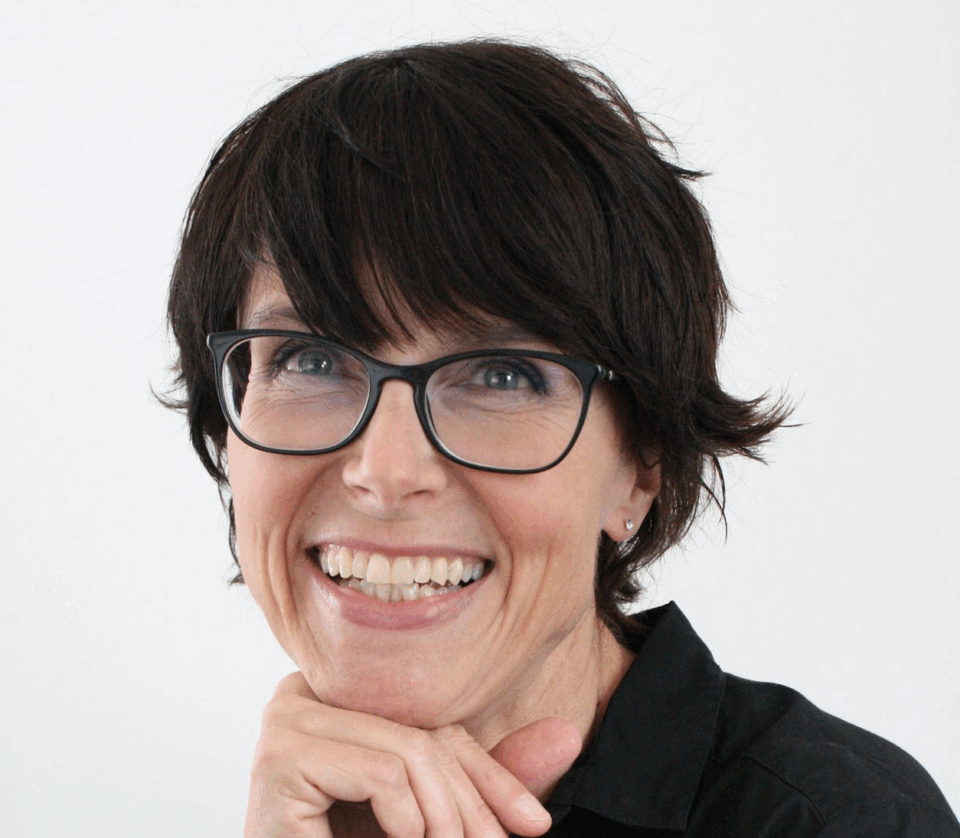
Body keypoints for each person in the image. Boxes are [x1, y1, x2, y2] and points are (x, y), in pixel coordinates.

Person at [165, 39, 959, 837]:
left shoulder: (840, 821)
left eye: (502, 374)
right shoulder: (294, 808)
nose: (387, 469)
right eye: (309, 359)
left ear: (642, 464)